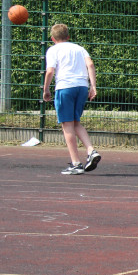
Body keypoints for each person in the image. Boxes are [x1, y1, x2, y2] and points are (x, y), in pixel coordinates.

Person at [42, 23, 101, 175]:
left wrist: (46, 89)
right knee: (75, 122)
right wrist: (92, 86)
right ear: (68, 36)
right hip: (81, 87)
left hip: (65, 87)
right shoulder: (79, 48)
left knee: (67, 124)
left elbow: (50, 71)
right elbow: (91, 64)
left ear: (52, 38)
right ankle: (91, 150)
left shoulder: (53, 50)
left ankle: (76, 163)